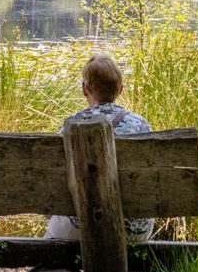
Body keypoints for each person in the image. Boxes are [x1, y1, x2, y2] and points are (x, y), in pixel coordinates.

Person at [46, 53, 155, 242]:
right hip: (134, 231)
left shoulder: (70, 125)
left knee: (55, 227)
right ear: (120, 90)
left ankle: (57, 270)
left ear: (84, 89)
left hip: (80, 227)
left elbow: (52, 180)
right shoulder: (141, 125)